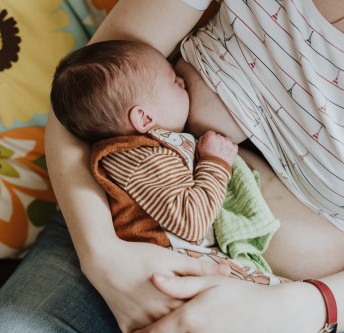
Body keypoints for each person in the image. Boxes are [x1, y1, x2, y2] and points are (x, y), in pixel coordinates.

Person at [0, 1, 344, 332]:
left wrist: (297, 309)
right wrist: (102, 255)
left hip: (285, 305)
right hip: (124, 228)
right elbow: (82, 98)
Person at [50, 39, 280, 276]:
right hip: (176, 266)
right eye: (173, 81)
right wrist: (215, 161)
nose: (182, 81)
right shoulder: (143, 161)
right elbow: (192, 223)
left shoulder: (141, 151)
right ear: (145, 119)